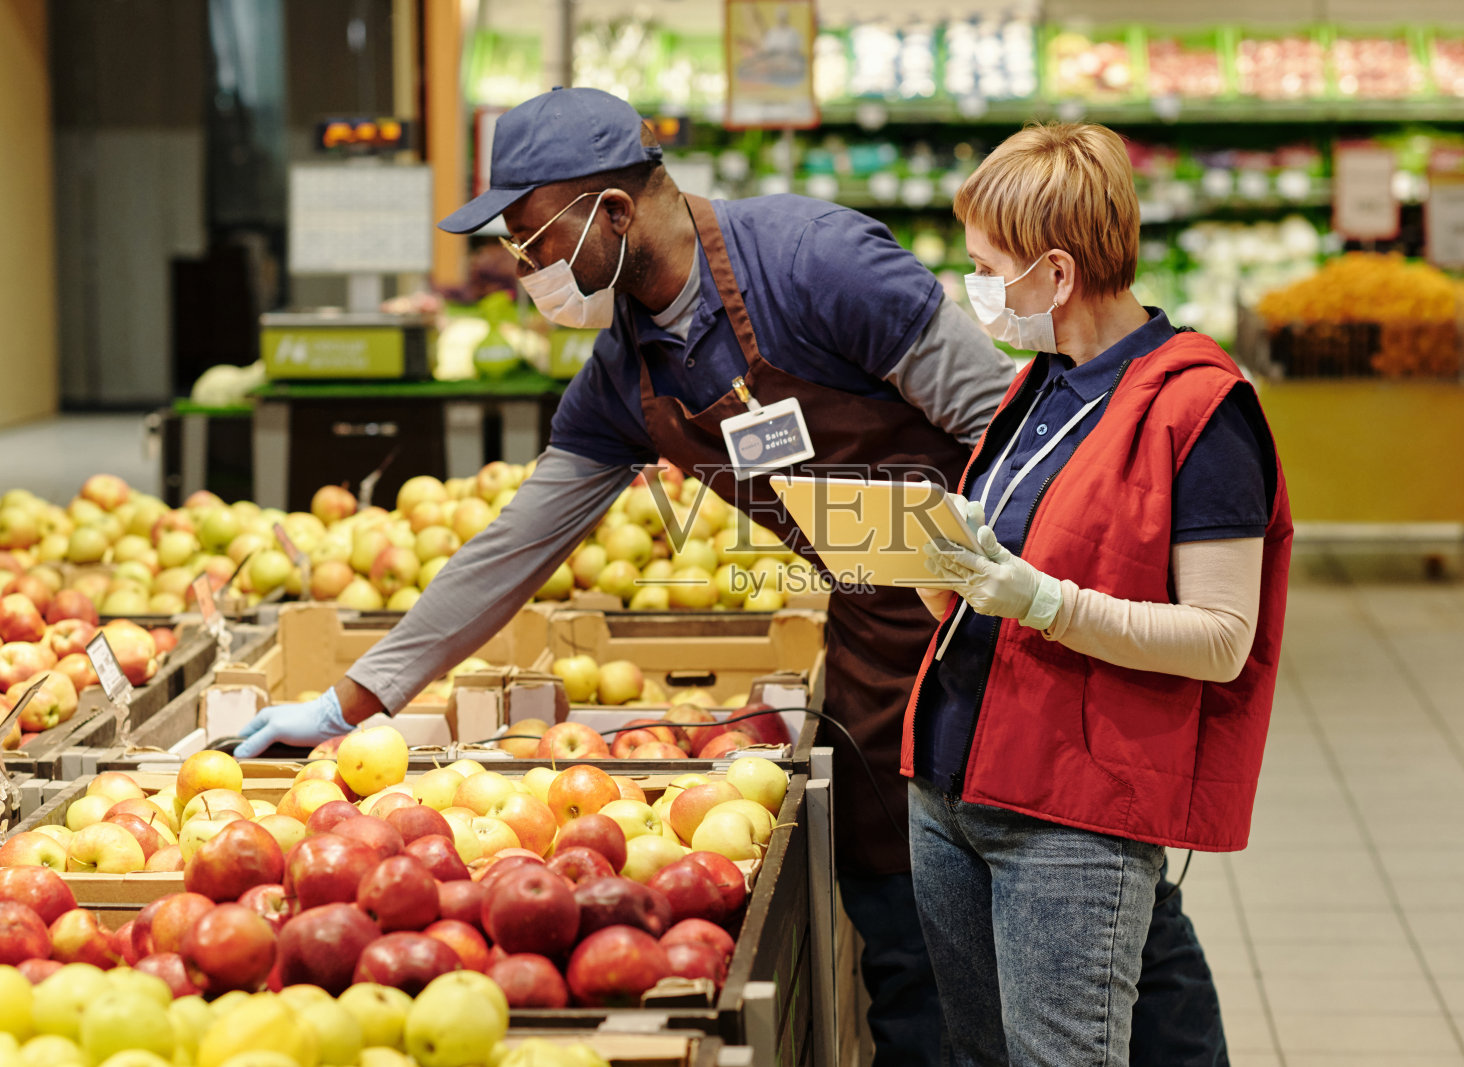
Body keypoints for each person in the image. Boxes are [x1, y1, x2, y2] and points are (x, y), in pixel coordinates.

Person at [234, 88, 1234, 1065]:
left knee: (1111, 909)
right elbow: (513, 546)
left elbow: (1011, 427)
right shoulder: (628, 372)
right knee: (905, 937)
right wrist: (351, 699)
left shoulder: (818, 264)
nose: (524, 267)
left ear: (612, 213)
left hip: (1011, 619)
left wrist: (1039, 600)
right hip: (880, 643)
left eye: (533, 241)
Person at [905, 123, 1292, 1067]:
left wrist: (1045, 601)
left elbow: (1221, 637)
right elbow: (1000, 573)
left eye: (985, 269)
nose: (973, 288)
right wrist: (937, 568)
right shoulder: (1039, 386)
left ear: (1057, 273)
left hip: (1072, 809)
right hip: (952, 780)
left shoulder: (1200, 410)